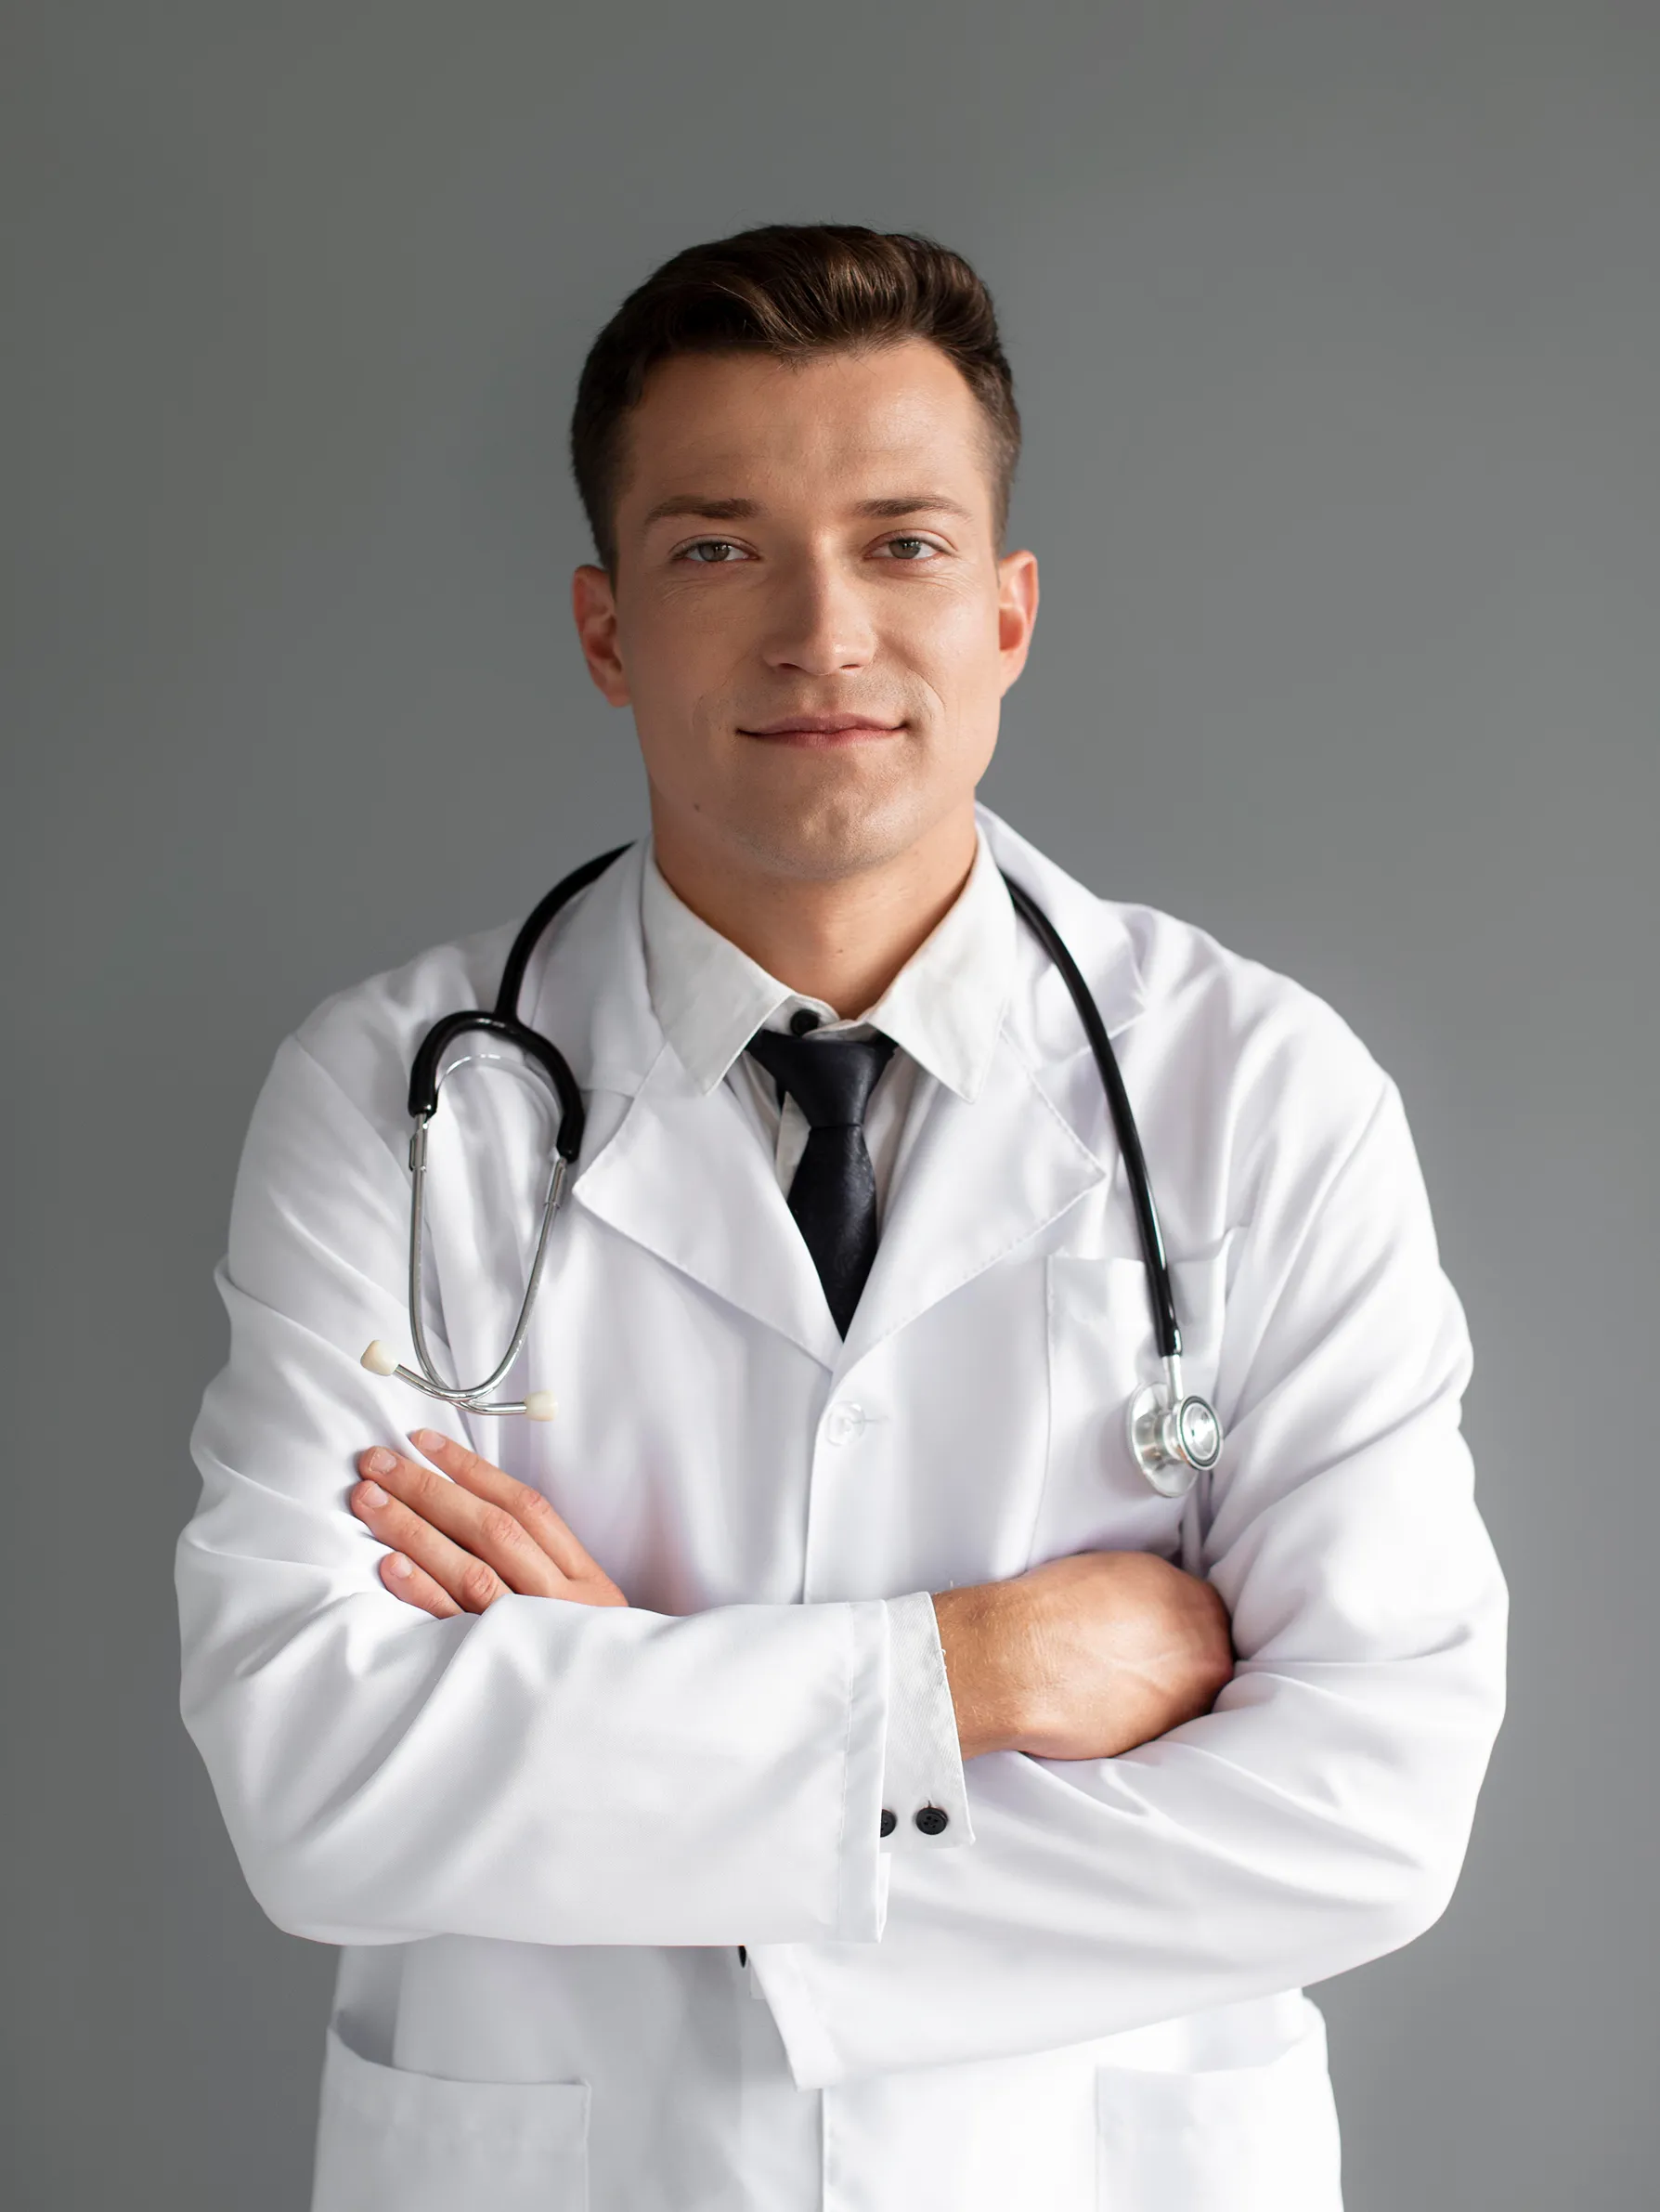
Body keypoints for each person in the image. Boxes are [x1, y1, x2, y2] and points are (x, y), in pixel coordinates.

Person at [175, 223, 1508, 2212]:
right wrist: (964, 1675)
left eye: (903, 543)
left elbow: (1371, 1810)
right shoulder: (394, 1099)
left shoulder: (1260, 1093)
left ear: (1009, 614)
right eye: (720, 548)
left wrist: (643, 1755)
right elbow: (314, 1775)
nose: (825, 631)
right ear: (609, 627)